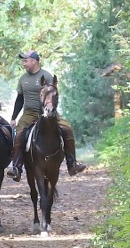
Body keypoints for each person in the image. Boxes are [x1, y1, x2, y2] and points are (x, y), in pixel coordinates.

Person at [7, 50, 86, 181]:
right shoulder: (23, 79)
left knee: (67, 129)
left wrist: (52, 110)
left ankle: (72, 164)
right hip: (29, 113)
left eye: (25, 60)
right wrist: (14, 117)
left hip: (49, 113)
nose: (23, 63)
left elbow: (54, 95)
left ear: (34, 61)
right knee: (19, 133)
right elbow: (20, 99)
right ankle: (16, 167)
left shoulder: (47, 76)